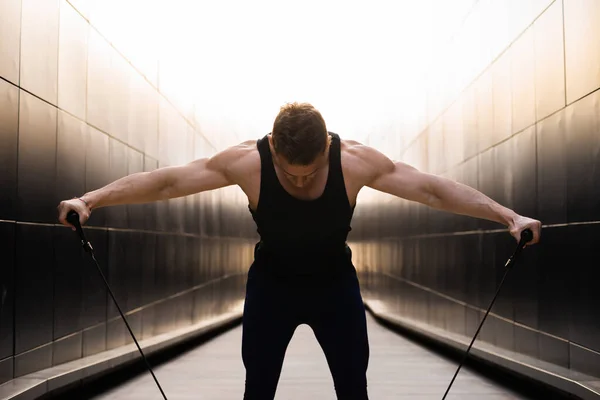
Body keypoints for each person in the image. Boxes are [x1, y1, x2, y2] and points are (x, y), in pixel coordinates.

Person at [57, 102, 542, 399]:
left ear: (328, 150)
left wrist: (508, 216)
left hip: (335, 286)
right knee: (258, 389)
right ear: (272, 147)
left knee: (354, 388)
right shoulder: (247, 161)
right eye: (290, 173)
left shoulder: (355, 161)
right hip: (272, 286)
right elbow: (165, 184)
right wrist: (90, 199)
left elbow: (433, 191)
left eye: (311, 172)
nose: (302, 180)